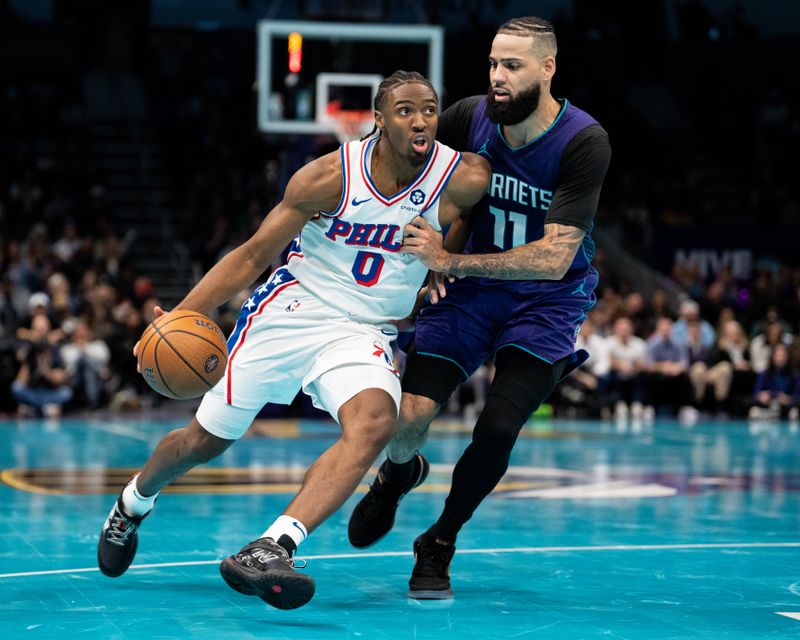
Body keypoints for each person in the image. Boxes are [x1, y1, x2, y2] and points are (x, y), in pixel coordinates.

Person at [96, 70, 491, 610]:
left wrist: (442, 264)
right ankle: (133, 502)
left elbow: (466, 218)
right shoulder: (328, 177)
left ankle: (272, 546)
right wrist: (176, 318)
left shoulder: (462, 176)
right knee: (203, 442)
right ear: (378, 120)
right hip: (292, 310)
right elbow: (254, 254)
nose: (420, 119)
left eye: (428, 108)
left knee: (376, 422)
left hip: (364, 329)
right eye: (404, 110)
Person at [348, 16, 611, 599]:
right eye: (493, 63)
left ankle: (440, 539)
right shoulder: (470, 117)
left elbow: (553, 257)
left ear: (548, 68)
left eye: (512, 66)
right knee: (408, 417)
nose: (497, 76)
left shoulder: (583, 141)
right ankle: (397, 475)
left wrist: (451, 261)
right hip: (467, 294)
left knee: (496, 429)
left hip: (547, 300)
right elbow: (401, 169)